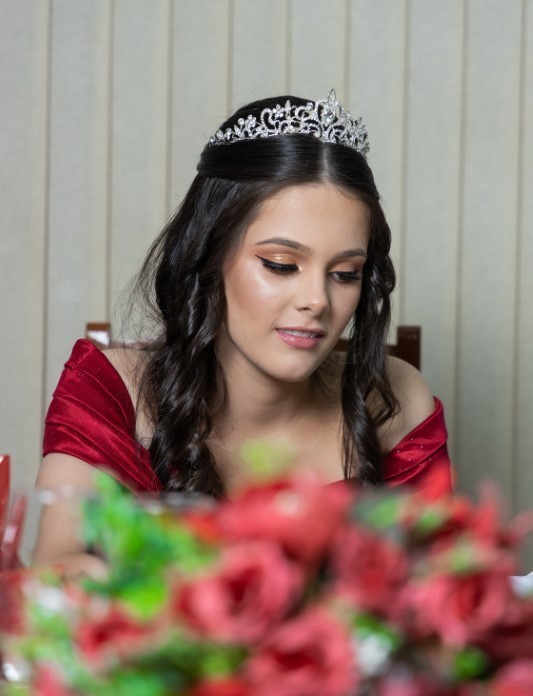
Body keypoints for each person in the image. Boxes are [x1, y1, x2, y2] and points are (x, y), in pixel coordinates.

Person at [33, 90, 452, 577]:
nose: (317, 300)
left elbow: (444, 585)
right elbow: (57, 574)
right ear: (210, 255)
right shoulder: (113, 388)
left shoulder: (393, 395)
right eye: (281, 264)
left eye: (345, 273)